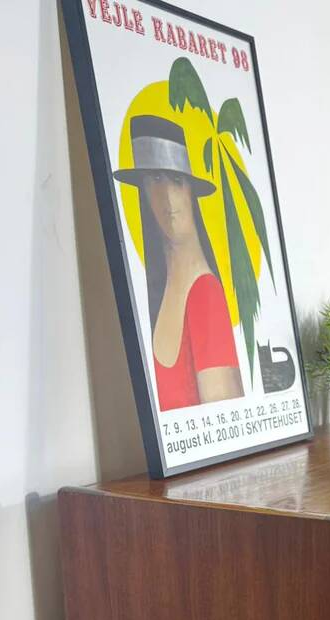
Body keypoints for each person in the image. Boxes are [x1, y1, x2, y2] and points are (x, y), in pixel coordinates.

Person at [114, 115, 244, 409]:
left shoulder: (204, 294)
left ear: (190, 189)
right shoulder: (159, 294)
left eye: (177, 180)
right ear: (143, 192)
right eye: (155, 180)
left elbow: (224, 418)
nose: (168, 197)